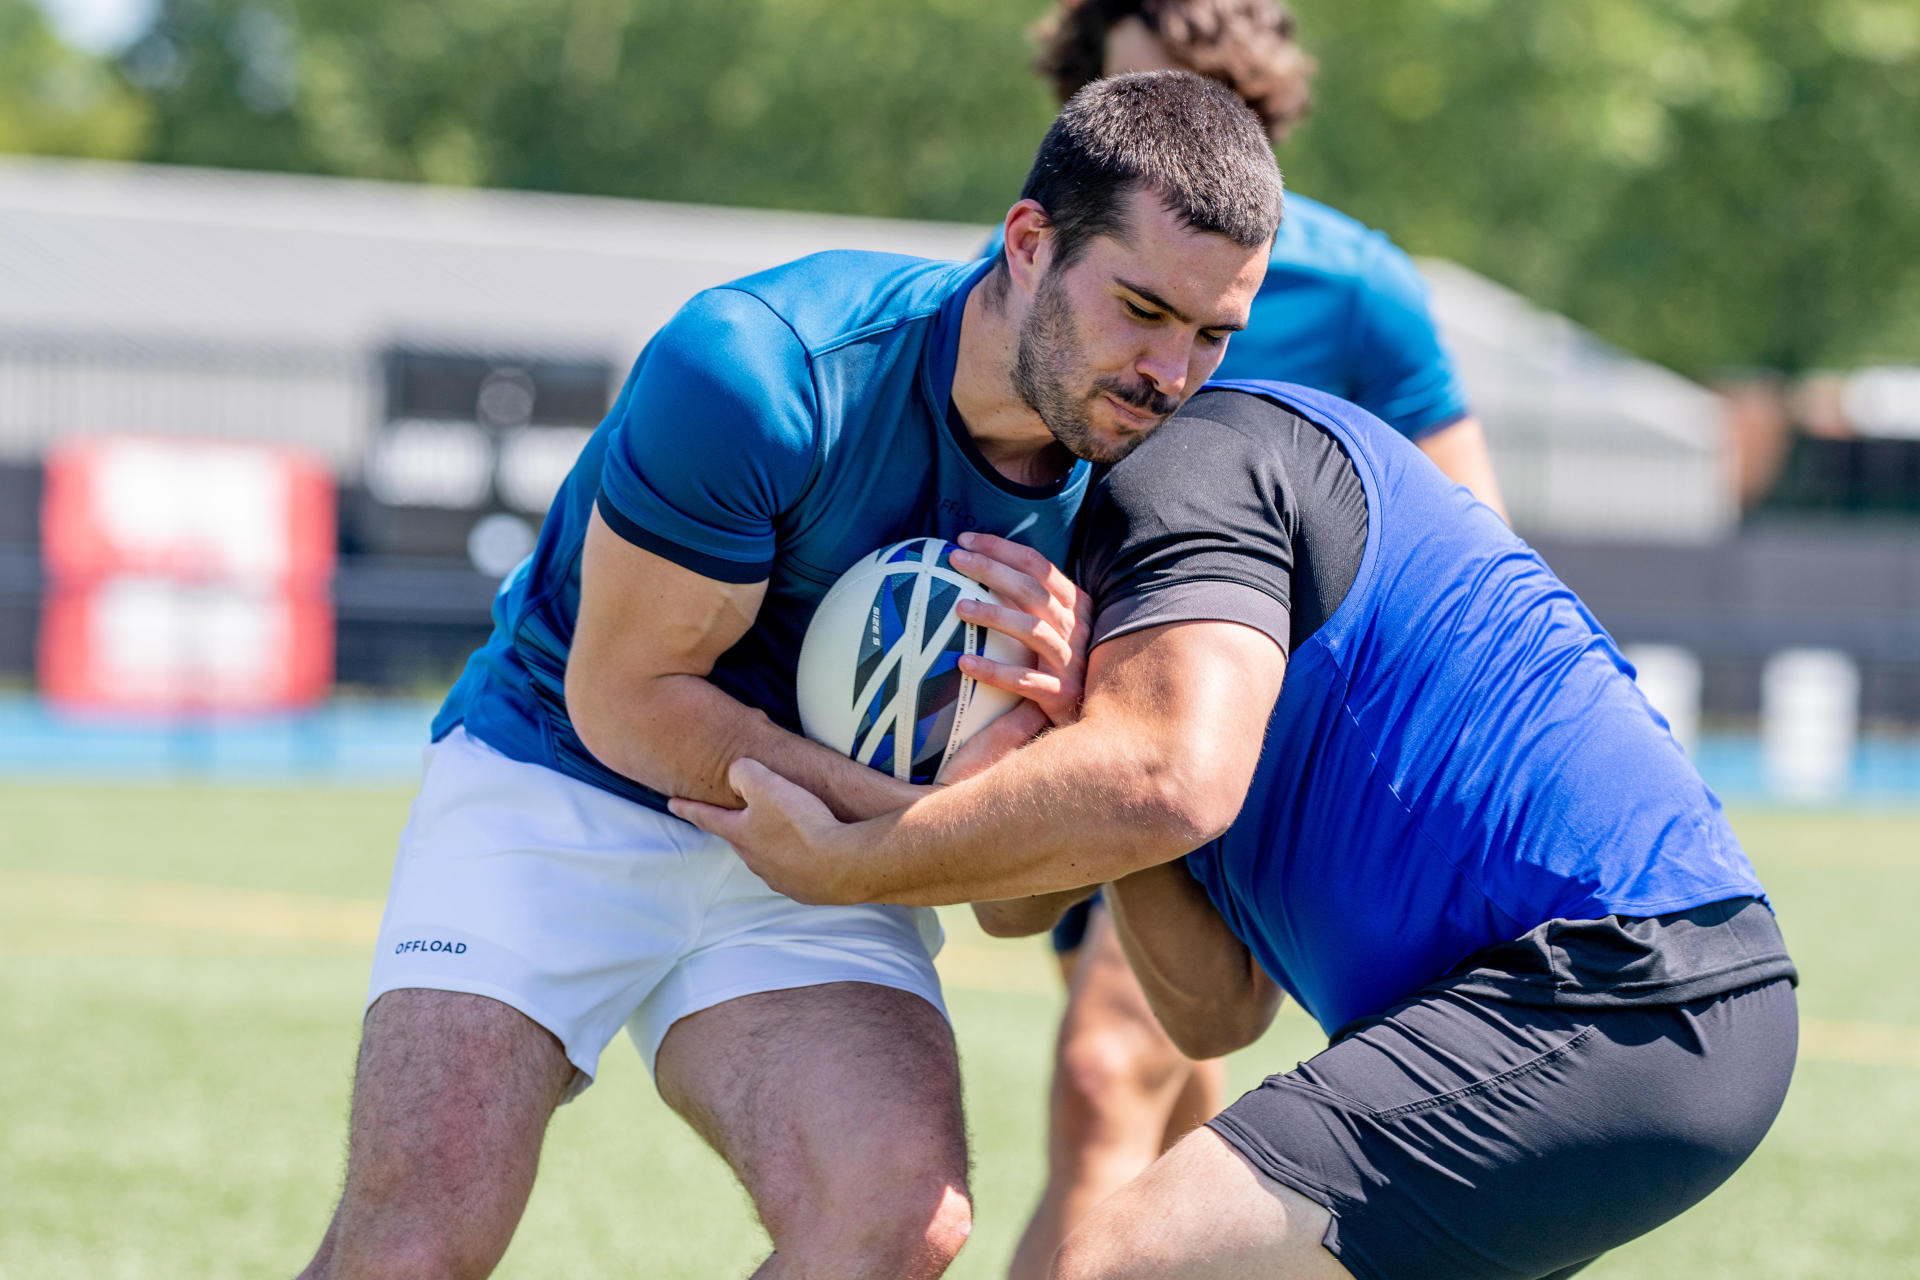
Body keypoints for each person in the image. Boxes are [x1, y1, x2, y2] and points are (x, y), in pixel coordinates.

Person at [294, 73, 1281, 1280]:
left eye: (1211, 333)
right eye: (1141, 308)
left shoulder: (1152, 493)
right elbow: (630, 700)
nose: (1171, 374)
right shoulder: (764, 369)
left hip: (830, 866)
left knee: (896, 1219)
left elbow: (1012, 903)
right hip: (569, 775)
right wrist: (907, 827)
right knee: (414, 1242)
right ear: (1029, 243)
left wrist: (1056, 737)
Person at [676, 379, 1799, 1280]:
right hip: (1628, 1012)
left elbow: (1122, 808)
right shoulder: (1163, 712)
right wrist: (1080, 763)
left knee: (1127, 1262)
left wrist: (846, 859)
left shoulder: (1195, 473)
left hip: (1616, 986)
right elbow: (1212, 1010)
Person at [1004, 4, 1509, 1270]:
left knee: (1108, 1069)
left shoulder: (1358, 285)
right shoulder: (1051, 260)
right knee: (1174, 1087)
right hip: (1087, 703)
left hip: (1252, 751)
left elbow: (1472, 547)